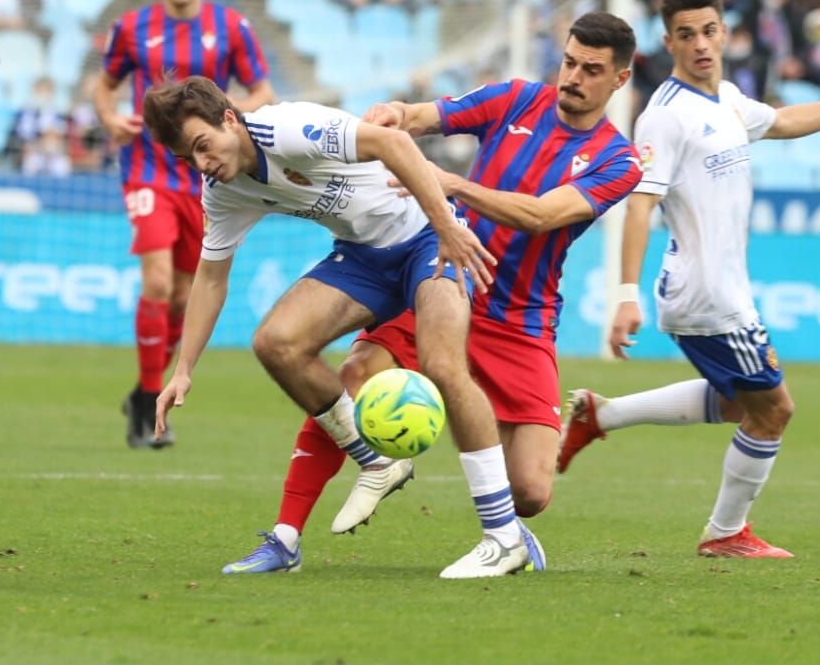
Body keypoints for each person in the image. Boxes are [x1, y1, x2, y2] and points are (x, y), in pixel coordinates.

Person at [224, 14, 644, 576]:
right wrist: (394, 113)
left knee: (532, 492)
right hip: (445, 280)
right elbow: (425, 116)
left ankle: (511, 519)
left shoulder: (620, 161)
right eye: (569, 62)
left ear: (619, 80)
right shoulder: (515, 99)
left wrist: (455, 185)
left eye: (592, 70)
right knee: (354, 374)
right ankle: (284, 536)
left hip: (522, 319)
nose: (573, 77)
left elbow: (542, 216)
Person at [559, 0, 820, 558]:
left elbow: (783, 120)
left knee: (736, 402)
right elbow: (639, 204)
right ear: (669, 42)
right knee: (773, 411)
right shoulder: (664, 118)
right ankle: (725, 533)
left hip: (720, 291)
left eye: (709, 30)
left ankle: (601, 414)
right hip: (707, 295)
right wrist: (625, 293)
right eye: (686, 34)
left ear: (724, 31)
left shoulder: (724, 97)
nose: (700, 43)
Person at [143, 76, 542, 580]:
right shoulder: (223, 189)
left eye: (202, 146)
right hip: (365, 260)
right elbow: (211, 276)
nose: (202, 163)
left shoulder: (287, 129)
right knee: (276, 343)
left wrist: (446, 226)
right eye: (188, 158)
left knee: (442, 363)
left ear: (229, 118)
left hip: (426, 238)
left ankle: (504, 535)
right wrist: (183, 370)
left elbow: (395, 142)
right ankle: (375, 461)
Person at [92, 0, 273, 448]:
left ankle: (142, 394)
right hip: (148, 170)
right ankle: (151, 399)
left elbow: (263, 89)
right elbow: (103, 85)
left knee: (180, 294)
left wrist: (236, 127)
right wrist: (109, 119)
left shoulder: (232, 27)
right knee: (155, 280)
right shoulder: (131, 28)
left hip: (207, 177)